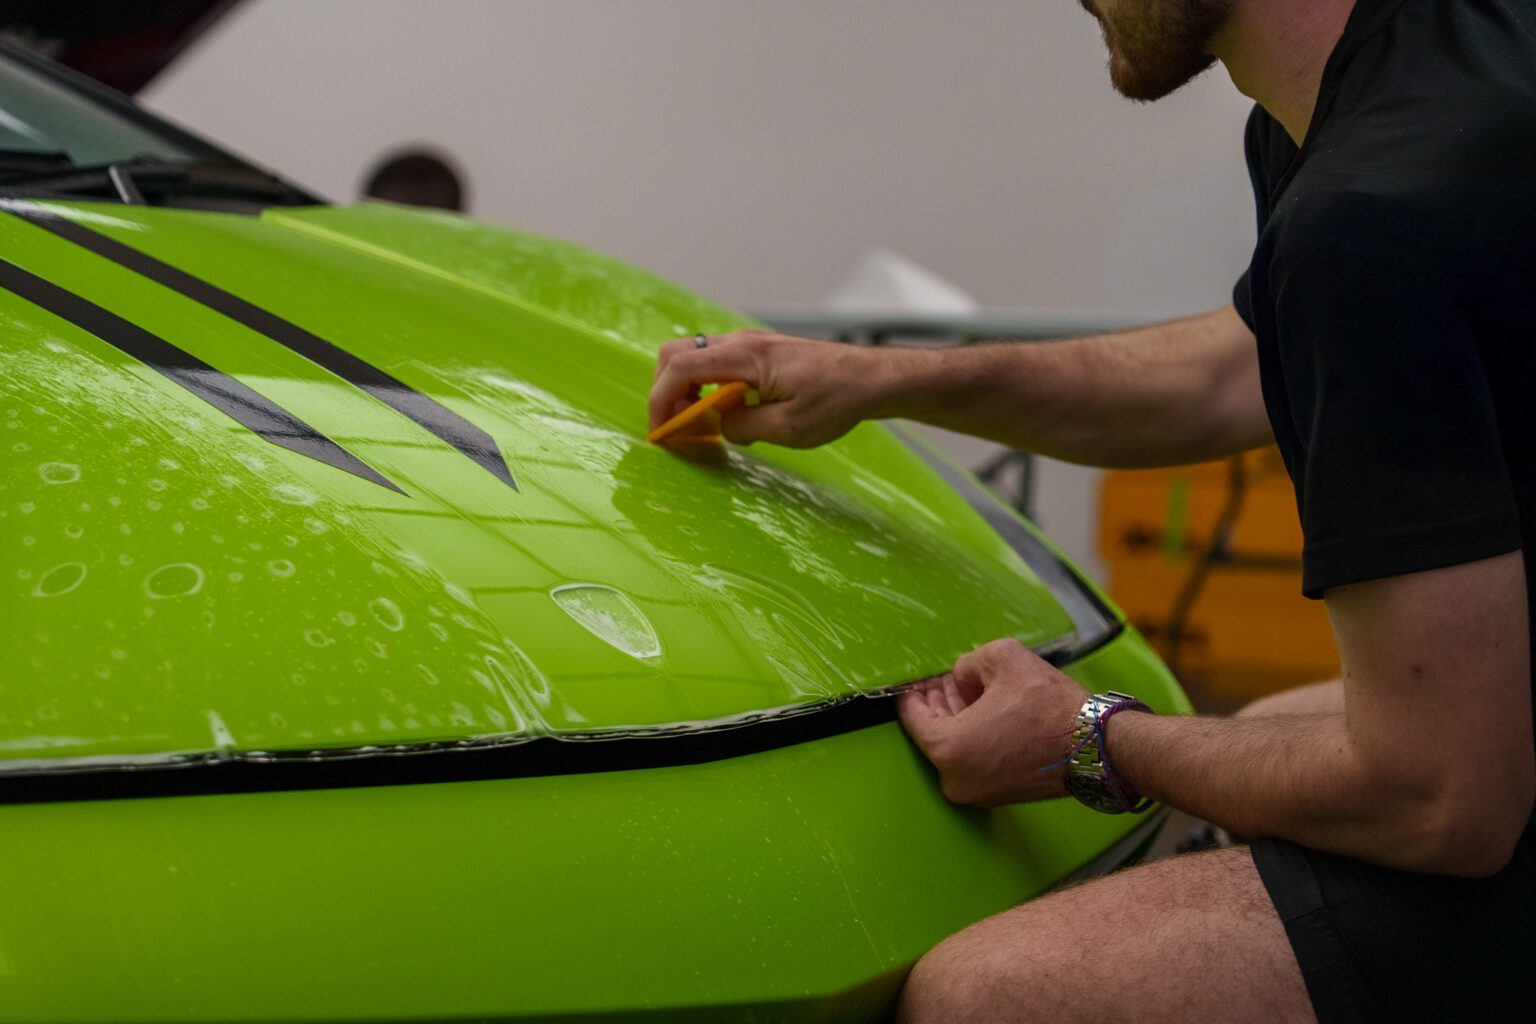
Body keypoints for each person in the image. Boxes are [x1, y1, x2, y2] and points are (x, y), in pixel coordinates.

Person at [646, 0, 1536, 1020]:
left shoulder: (1371, 211)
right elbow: (1231, 369)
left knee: (988, 994)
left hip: (1477, 810)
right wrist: (883, 379)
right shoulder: (1441, 73)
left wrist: (1089, 735)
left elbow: (1442, 799)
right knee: (1268, 734)